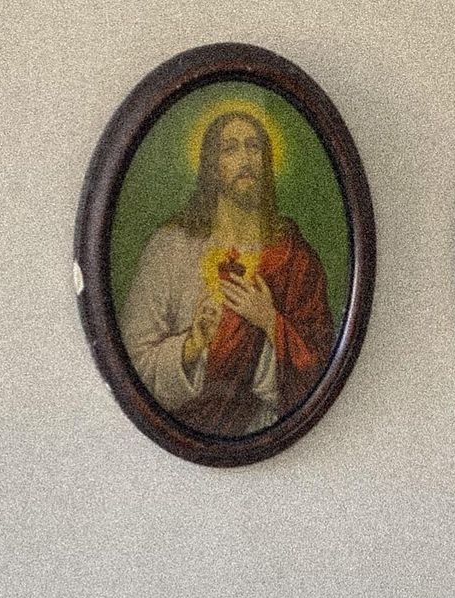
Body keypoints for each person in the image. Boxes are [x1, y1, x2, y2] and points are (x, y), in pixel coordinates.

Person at [119, 110, 335, 438]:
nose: (245, 158)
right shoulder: (170, 248)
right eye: (230, 149)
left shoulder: (295, 256)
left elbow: (319, 369)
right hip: (184, 431)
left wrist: (270, 322)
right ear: (212, 165)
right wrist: (192, 345)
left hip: (266, 433)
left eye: (253, 146)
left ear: (266, 161)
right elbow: (133, 366)